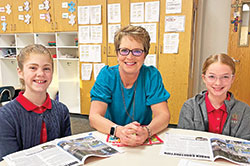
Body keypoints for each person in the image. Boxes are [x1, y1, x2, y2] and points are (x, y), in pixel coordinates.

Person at [89, 25, 170, 146]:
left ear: (145, 54)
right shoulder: (107, 75)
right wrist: (119, 131)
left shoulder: (151, 75)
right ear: (117, 53)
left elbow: (163, 115)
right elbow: (94, 117)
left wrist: (146, 132)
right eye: (124, 50)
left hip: (142, 136)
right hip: (112, 134)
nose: (130, 57)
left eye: (137, 51)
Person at [0, 44, 71, 161]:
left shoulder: (61, 110)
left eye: (46, 68)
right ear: (20, 72)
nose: (40, 74)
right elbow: (9, 160)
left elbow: (66, 150)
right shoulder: (6, 116)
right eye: (33, 68)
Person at [178, 53, 250, 140]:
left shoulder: (244, 110)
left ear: (232, 79)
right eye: (212, 76)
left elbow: (245, 145)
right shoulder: (190, 107)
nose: (218, 83)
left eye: (225, 77)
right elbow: (183, 140)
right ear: (204, 78)